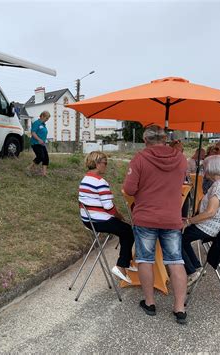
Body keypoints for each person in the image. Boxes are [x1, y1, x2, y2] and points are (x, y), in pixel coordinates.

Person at [123, 125, 188, 325]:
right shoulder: (180, 158)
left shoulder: (140, 159)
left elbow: (129, 188)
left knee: (145, 259)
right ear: (165, 139)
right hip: (171, 217)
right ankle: (179, 308)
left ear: (145, 140)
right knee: (176, 261)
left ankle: (150, 303)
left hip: (146, 216)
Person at [79, 152, 136, 283]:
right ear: (97, 163)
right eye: (105, 163)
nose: (106, 166)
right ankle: (121, 266)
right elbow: (109, 207)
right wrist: (121, 217)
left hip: (88, 221)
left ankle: (127, 261)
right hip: (99, 221)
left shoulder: (85, 178)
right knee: (128, 230)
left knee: (125, 229)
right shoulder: (100, 182)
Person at [182, 155, 220, 285]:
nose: (203, 170)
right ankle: (196, 267)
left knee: (175, 238)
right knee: (182, 238)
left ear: (212, 169)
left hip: (210, 226)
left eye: (204, 167)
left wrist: (188, 221)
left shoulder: (219, 187)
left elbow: (210, 212)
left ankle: (192, 271)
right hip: (217, 226)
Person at [27, 111, 50, 177]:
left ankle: (44, 174)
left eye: (47, 119)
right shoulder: (36, 123)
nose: (46, 120)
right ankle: (28, 168)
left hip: (42, 144)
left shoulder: (43, 124)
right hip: (35, 143)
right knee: (40, 157)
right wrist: (39, 139)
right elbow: (33, 133)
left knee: (46, 158)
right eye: (46, 118)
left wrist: (43, 141)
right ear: (42, 116)